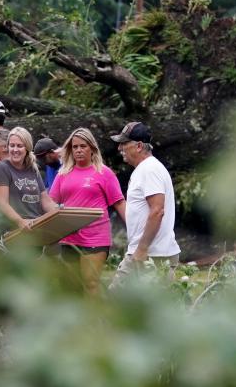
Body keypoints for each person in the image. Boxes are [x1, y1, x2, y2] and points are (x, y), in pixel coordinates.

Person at [49, 127, 126, 297]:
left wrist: (136, 230)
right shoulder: (63, 173)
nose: (78, 150)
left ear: (92, 148)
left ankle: (97, 323)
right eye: (74, 147)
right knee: (70, 286)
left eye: (83, 146)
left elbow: (120, 203)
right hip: (69, 238)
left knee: (90, 283)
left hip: (96, 237)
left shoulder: (104, 173)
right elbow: (50, 202)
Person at [110, 121, 181, 286]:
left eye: (124, 143)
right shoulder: (146, 169)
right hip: (151, 253)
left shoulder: (149, 170)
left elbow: (157, 211)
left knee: (111, 303)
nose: (119, 148)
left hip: (150, 255)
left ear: (139, 146)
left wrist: (142, 249)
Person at [0, 126, 58, 244]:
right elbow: (2, 203)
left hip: (34, 229)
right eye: (12, 145)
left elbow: (45, 200)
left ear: (27, 148)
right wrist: (20, 221)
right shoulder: (1, 168)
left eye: (19, 146)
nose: (15, 149)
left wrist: (59, 212)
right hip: (9, 232)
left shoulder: (33, 169)